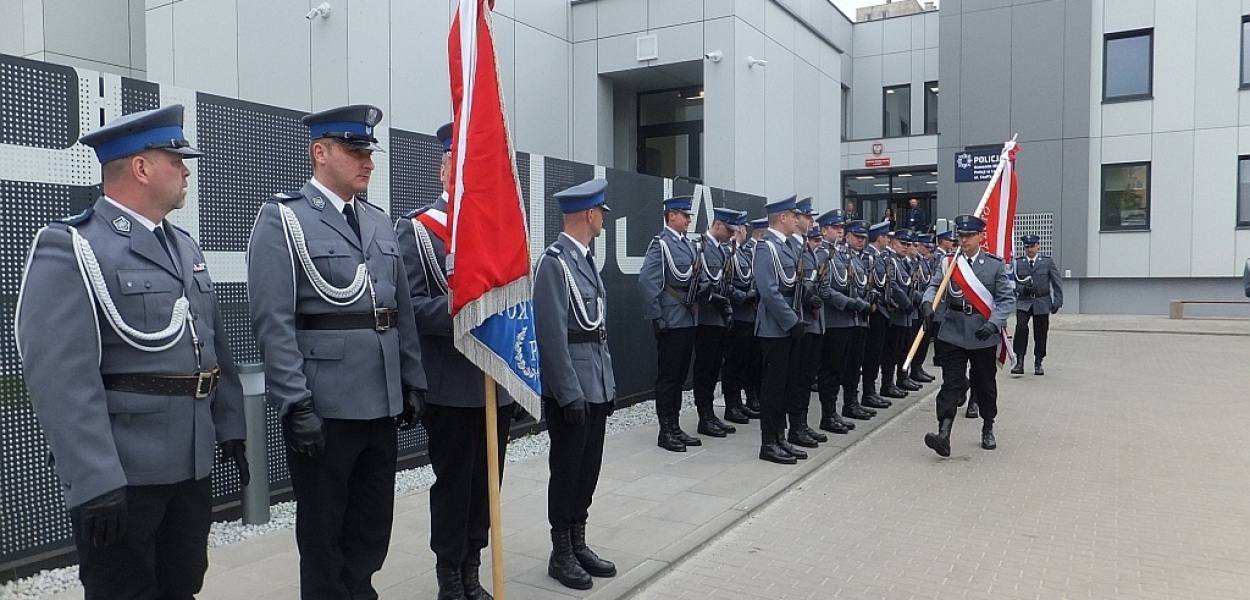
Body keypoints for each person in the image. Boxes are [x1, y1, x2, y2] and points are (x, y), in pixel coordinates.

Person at [16, 105, 247, 599]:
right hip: (125, 471)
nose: (186, 171)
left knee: (181, 585)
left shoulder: (184, 246)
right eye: (176, 161)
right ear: (141, 168)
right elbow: (61, 379)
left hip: (190, 460)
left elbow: (212, 348)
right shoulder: (74, 246)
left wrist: (230, 426)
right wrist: (93, 479)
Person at [247, 104, 427, 599]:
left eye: (369, 152)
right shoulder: (284, 219)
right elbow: (274, 322)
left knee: (371, 525)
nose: (367, 162)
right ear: (320, 153)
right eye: (354, 151)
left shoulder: (378, 221)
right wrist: (295, 403)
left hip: (380, 399)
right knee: (324, 532)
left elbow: (399, 313)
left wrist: (412, 380)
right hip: (325, 404)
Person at [395, 122, 512, 599]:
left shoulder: (498, 230)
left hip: (494, 377)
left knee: (487, 485)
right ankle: (450, 576)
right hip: (451, 382)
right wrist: (463, 308)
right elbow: (409, 308)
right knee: (455, 486)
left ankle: (473, 569)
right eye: (460, 168)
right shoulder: (418, 230)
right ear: (444, 170)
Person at [532, 178, 617, 591]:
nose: (603, 219)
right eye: (601, 212)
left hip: (594, 383)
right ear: (589, 213)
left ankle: (578, 541)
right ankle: (561, 551)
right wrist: (568, 393)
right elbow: (551, 336)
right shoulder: (554, 263)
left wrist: (607, 385)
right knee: (567, 472)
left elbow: (598, 330)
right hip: (573, 389)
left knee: (587, 471)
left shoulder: (583, 260)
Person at [919, 215, 1013, 456]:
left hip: (983, 333)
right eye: (960, 236)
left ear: (980, 236)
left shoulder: (994, 265)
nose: (964, 240)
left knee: (985, 384)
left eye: (969, 236)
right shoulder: (949, 263)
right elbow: (934, 286)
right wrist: (928, 304)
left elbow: (1005, 300)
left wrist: (993, 324)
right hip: (953, 331)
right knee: (951, 383)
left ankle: (988, 426)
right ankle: (943, 433)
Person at [638, 196, 703, 452]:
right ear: (671, 215)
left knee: (679, 377)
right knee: (668, 377)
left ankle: (675, 426)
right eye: (684, 215)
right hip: (671, 319)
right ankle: (665, 430)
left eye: (689, 216)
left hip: (688, 317)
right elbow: (647, 281)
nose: (688, 220)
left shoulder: (688, 245)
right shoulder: (661, 244)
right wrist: (656, 316)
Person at [752, 196, 810, 464]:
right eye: (794, 215)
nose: (797, 220)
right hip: (775, 327)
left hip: (789, 324)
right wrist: (791, 321)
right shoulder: (767, 247)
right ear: (783, 218)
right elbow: (769, 291)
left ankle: (780, 436)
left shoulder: (786, 247)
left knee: (787, 385)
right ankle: (768, 443)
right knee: (773, 388)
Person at [691, 207, 747, 438]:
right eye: (729, 230)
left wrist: (739, 299)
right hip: (706, 317)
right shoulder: (700, 247)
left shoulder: (723, 251)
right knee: (705, 369)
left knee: (715, 368)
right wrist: (715, 299)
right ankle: (704, 416)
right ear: (717, 225)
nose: (732, 235)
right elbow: (700, 283)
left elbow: (726, 283)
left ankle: (710, 414)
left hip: (721, 318)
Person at [814, 209, 864, 435]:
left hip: (847, 320)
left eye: (841, 228)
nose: (840, 231)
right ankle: (828, 414)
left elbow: (850, 283)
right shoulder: (821, 254)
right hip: (833, 320)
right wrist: (848, 303)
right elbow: (824, 289)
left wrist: (857, 301)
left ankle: (834, 412)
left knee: (842, 369)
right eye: (835, 228)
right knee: (830, 371)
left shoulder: (841, 255)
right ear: (824, 230)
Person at [721, 215, 762, 424]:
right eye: (744, 227)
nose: (746, 231)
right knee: (733, 363)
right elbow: (724, 283)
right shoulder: (728, 252)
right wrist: (743, 297)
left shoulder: (741, 253)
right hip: (736, 314)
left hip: (748, 315)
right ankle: (732, 405)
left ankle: (739, 403)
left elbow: (749, 278)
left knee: (744, 362)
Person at [1011, 234, 1063, 376]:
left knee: (1041, 333)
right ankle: (1019, 361)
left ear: (1038, 246)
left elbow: (1056, 281)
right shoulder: (1018, 263)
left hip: (1042, 301)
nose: (1030, 249)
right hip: (1024, 301)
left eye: (1032, 246)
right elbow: (1012, 283)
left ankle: (1038, 362)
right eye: (1027, 247)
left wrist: (1058, 301)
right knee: (1021, 328)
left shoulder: (1047, 262)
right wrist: (1023, 289)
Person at [859, 221, 894, 411]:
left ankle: (871, 390)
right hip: (874, 311)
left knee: (877, 352)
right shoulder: (869, 257)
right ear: (879, 238)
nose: (888, 240)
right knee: (872, 353)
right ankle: (868, 391)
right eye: (886, 237)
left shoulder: (880, 257)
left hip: (882, 309)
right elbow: (866, 283)